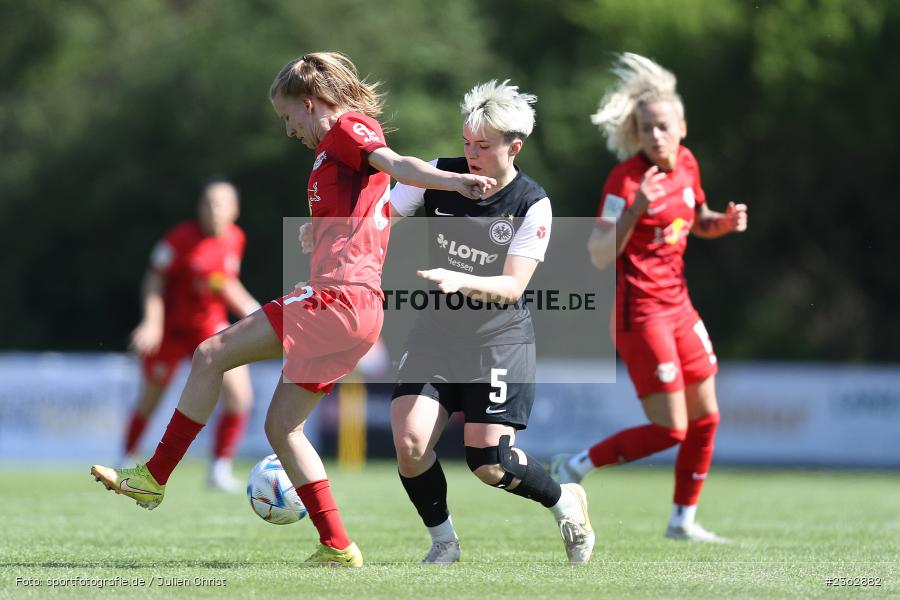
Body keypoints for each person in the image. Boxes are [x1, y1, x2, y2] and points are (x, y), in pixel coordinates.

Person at [91, 51, 495, 568]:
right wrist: (321, 228)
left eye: (288, 117)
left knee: (211, 353)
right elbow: (370, 205)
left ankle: (153, 477)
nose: (287, 131)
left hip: (337, 298)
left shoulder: (349, 128)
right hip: (359, 311)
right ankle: (338, 546)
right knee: (283, 428)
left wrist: (454, 182)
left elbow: (397, 166)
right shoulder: (332, 153)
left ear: (308, 104)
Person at [388, 80, 594, 565]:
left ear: (513, 147)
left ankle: (565, 500)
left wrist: (458, 278)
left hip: (499, 340)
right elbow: (380, 216)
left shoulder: (532, 203)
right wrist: (334, 229)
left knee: (488, 464)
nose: (470, 153)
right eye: (466, 142)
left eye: (483, 145)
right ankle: (444, 544)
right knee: (410, 441)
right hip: (437, 333)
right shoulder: (438, 175)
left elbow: (513, 286)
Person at [550, 53, 748, 543]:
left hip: (680, 308)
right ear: (636, 134)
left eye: (662, 126)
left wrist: (721, 224)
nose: (654, 136)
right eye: (645, 129)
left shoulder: (687, 164)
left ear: (681, 125)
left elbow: (694, 218)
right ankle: (574, 465)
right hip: (640, 313)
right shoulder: (625, 182)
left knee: (707, 417)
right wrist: (635, 210)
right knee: (671, 430)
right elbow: (599, 253)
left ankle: (682, 520)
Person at [123, 179, 258, 491]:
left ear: (234, 210)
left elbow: (226, 285)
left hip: (209, 328)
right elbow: (153, 281)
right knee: (151, 397)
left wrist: (259, 314)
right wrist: (152, 322)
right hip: (172, 330)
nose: (212, 210)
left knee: (240, 397)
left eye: (219, 203)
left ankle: (219, 469)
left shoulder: (235, 238)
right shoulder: (178, 240)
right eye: (207, 203)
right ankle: (126, 457)